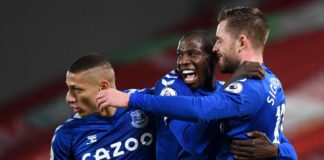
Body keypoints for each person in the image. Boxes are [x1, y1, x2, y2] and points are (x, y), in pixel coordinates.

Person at [96, 7, 297, 159]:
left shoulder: (239, 90)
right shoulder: (171, 84)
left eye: (219, 40)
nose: (217, 47)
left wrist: (276, 151)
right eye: (179, 55)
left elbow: (202, 113)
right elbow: (191, 140)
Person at [50, 54, 156, 160]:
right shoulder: (66, 134)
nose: (69, 98)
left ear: (103, 87)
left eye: (77, 90)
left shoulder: (147, 102)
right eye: (69, 89)